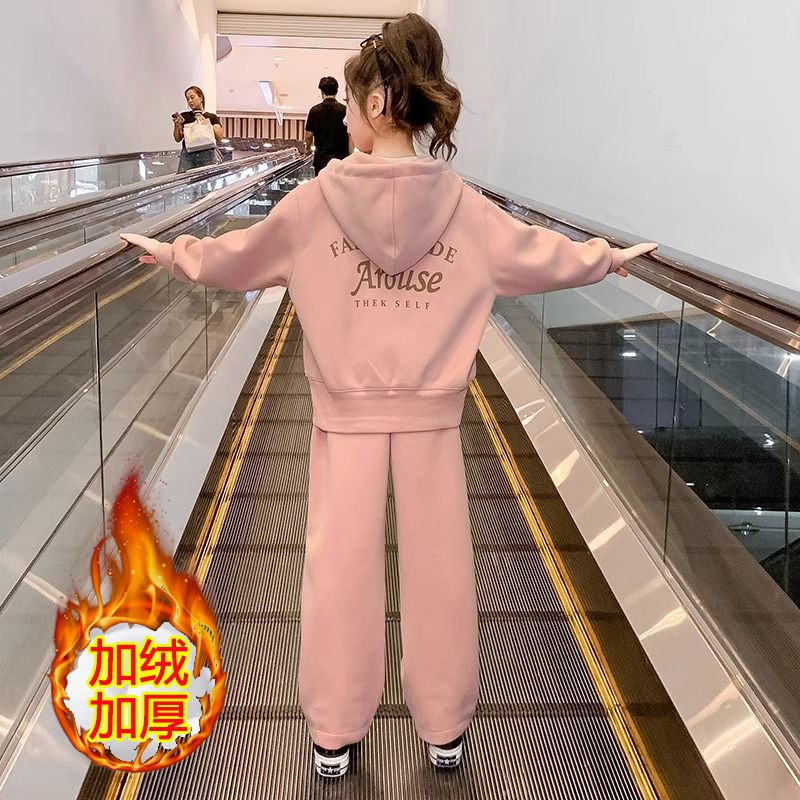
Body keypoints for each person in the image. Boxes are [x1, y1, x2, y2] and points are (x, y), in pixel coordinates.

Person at [122, 12, 657, 780]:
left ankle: (334, 732)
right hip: (433, 417)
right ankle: (445, 728)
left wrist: (173, 254)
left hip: (345, 416)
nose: (349, 118)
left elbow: (234, 258)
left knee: (338, 571)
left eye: (355, 102)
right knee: (442, 573)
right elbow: (544, 257)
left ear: (376, 104)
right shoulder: (466, 208)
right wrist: (607, 259)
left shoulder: (315, 205)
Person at [304, 76, 351, 175]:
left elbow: (309, 135)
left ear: (322, 92)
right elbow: (350, 134)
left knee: (321, 183)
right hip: (341, 159)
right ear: (336, 91)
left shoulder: (314, 110)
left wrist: (308, 148)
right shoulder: (345, 110)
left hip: (321, 160)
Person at [173, 85, 223, 173]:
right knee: (184, 178)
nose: (190, 101)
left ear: (201, 98)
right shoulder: (184, 116)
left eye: (192, 97)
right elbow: (177, 139)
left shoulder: (211, 117)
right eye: (187, 99)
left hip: (207, 153)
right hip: (187, 154)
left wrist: (206, 122)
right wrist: (177, 125)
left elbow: (219, 136)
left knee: (206, 178)